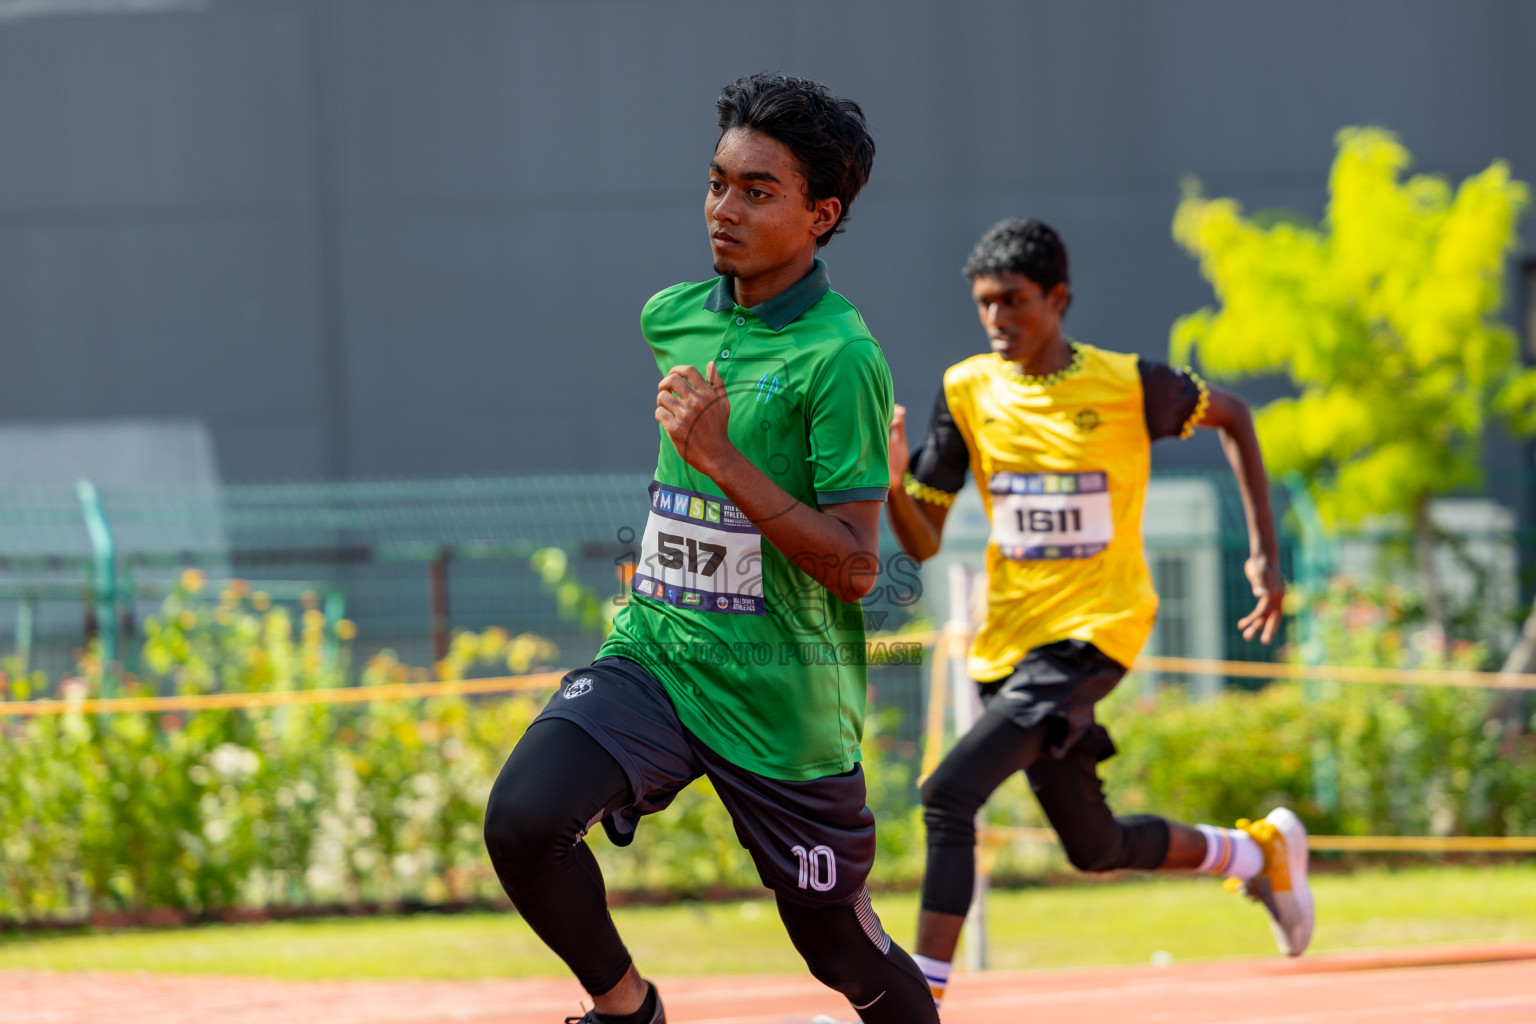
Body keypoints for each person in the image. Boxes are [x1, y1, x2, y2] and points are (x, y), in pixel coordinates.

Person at [483, 73, 940, 1024]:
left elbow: (860, 567)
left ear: (822, 213)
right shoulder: (673, 316)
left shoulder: (842, 356)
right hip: (658, 657)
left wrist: (723, 460)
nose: (723, 209)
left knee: (846, 962)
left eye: (756, 191)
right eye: (717, 182)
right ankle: (627, 1010)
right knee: (524, 819)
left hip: (784, 707)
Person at [885, 218, 1313, 1013]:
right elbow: (924, 542)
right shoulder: (966, 390)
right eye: (984, 305)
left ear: (1058, 299)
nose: (997, 320)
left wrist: (1265, 553)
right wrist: (888, 484)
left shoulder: (1129, 384)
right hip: (1008, 646)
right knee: (1096, 847)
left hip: (1095, 634)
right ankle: (1256, 853)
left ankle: (919, 998)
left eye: (1013, 302)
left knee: (948, 792)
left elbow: (1238, 416)